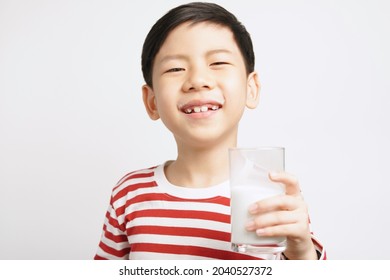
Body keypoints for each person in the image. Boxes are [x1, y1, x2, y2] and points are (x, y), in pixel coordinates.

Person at [94, 2, 325, 260]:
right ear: (152, 101)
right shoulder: (129, 193)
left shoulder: (271, 195)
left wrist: (302, 250)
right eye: (175, 69)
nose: (197, 80)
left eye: (218, 62)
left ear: (251, 88)